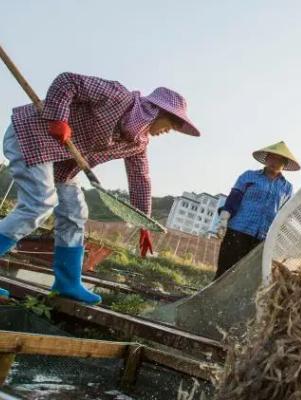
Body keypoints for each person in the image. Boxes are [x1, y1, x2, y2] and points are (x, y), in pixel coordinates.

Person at [0, 72, 201, 304]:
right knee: (40, 203)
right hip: (33, 134)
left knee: (75, 213)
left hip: (62, 164)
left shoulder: (138, 143)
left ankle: (68, 283)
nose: (171, 129)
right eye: (173, 122)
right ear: (156, 111)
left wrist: (142, 221)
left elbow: (140, 178)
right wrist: (59, 118)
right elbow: (67, 81)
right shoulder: (118, 97)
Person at [215, 141, 299, 280]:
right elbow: (234, 198)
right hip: (238, 229)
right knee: (225, 269)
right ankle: (213, 297)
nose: (274, 162)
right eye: (272, 158)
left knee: (246, 276)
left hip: (262, 237)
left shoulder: (287, 187)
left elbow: (284, 213)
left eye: (279, 160)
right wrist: (224, 218)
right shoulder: (249, 176)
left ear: (284, 164)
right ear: (266, 159)